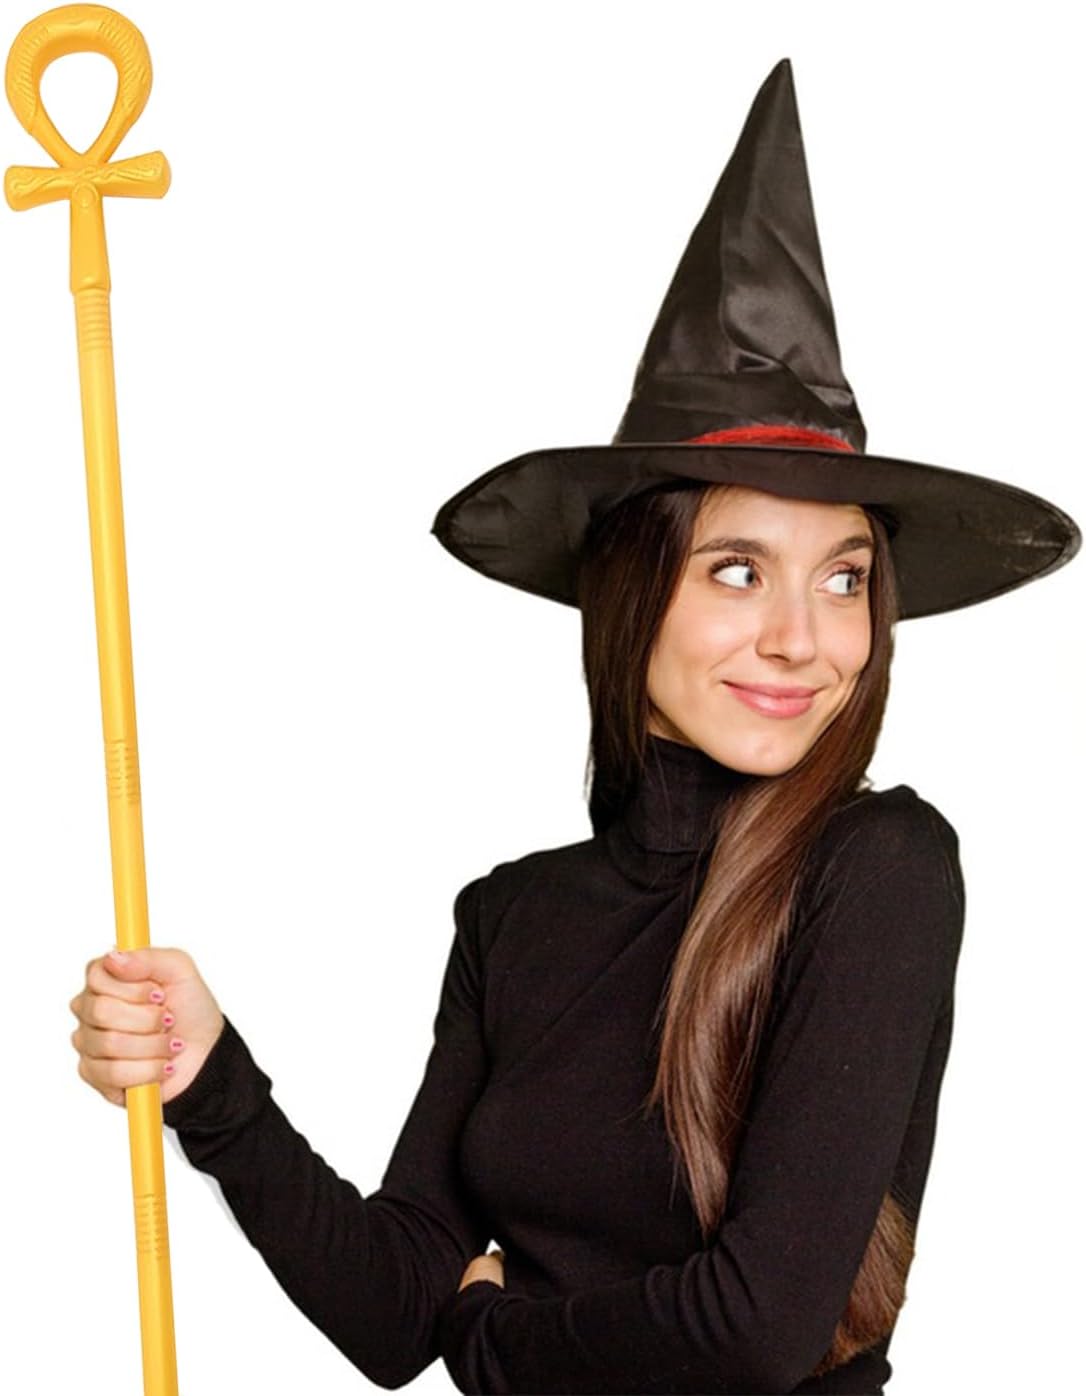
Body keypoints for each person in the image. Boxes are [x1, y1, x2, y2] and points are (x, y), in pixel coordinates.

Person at [67, 60, 1079, 1395]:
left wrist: (489, 1342)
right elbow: (396, 1309)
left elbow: (756, 1332)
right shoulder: (513, 917)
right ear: (628, 590)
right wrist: (213, 1085)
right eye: (738, 570)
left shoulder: (875, 867)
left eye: (843, 579)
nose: (804, 636)